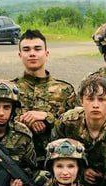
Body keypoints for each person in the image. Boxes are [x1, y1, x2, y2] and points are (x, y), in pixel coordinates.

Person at [53, 74, 106, 186]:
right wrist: (81, 171)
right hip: (71, 182)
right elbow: (53, 156)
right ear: (81, 101)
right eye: (90, 99)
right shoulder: (67, 122)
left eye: (101, 99)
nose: (95, 105)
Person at [12, 29, 78, 164]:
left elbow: (76, 126)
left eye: (37, 49)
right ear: (20, 55)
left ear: (46, 53)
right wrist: (26, 121)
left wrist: (48, 118)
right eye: (26, 49)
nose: (32, 53)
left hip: (57, 162)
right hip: (18, 162)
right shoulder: (10, 89)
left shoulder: (65, 90)